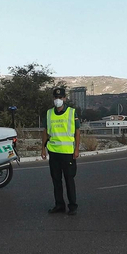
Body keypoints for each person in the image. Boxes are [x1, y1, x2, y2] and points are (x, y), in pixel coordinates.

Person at [42, 86, 80, 215]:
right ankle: (59, 205)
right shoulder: (49, 113)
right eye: (56, 97)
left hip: (68, 152)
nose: (58, 100)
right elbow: (46, 131)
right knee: (56, 180)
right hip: (53, 151)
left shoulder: (71, 112)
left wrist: (77, 150)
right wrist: (43, 148)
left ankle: (73, 206)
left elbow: (77, 132)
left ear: (64, 98)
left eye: (60, 97)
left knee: (69, 180)